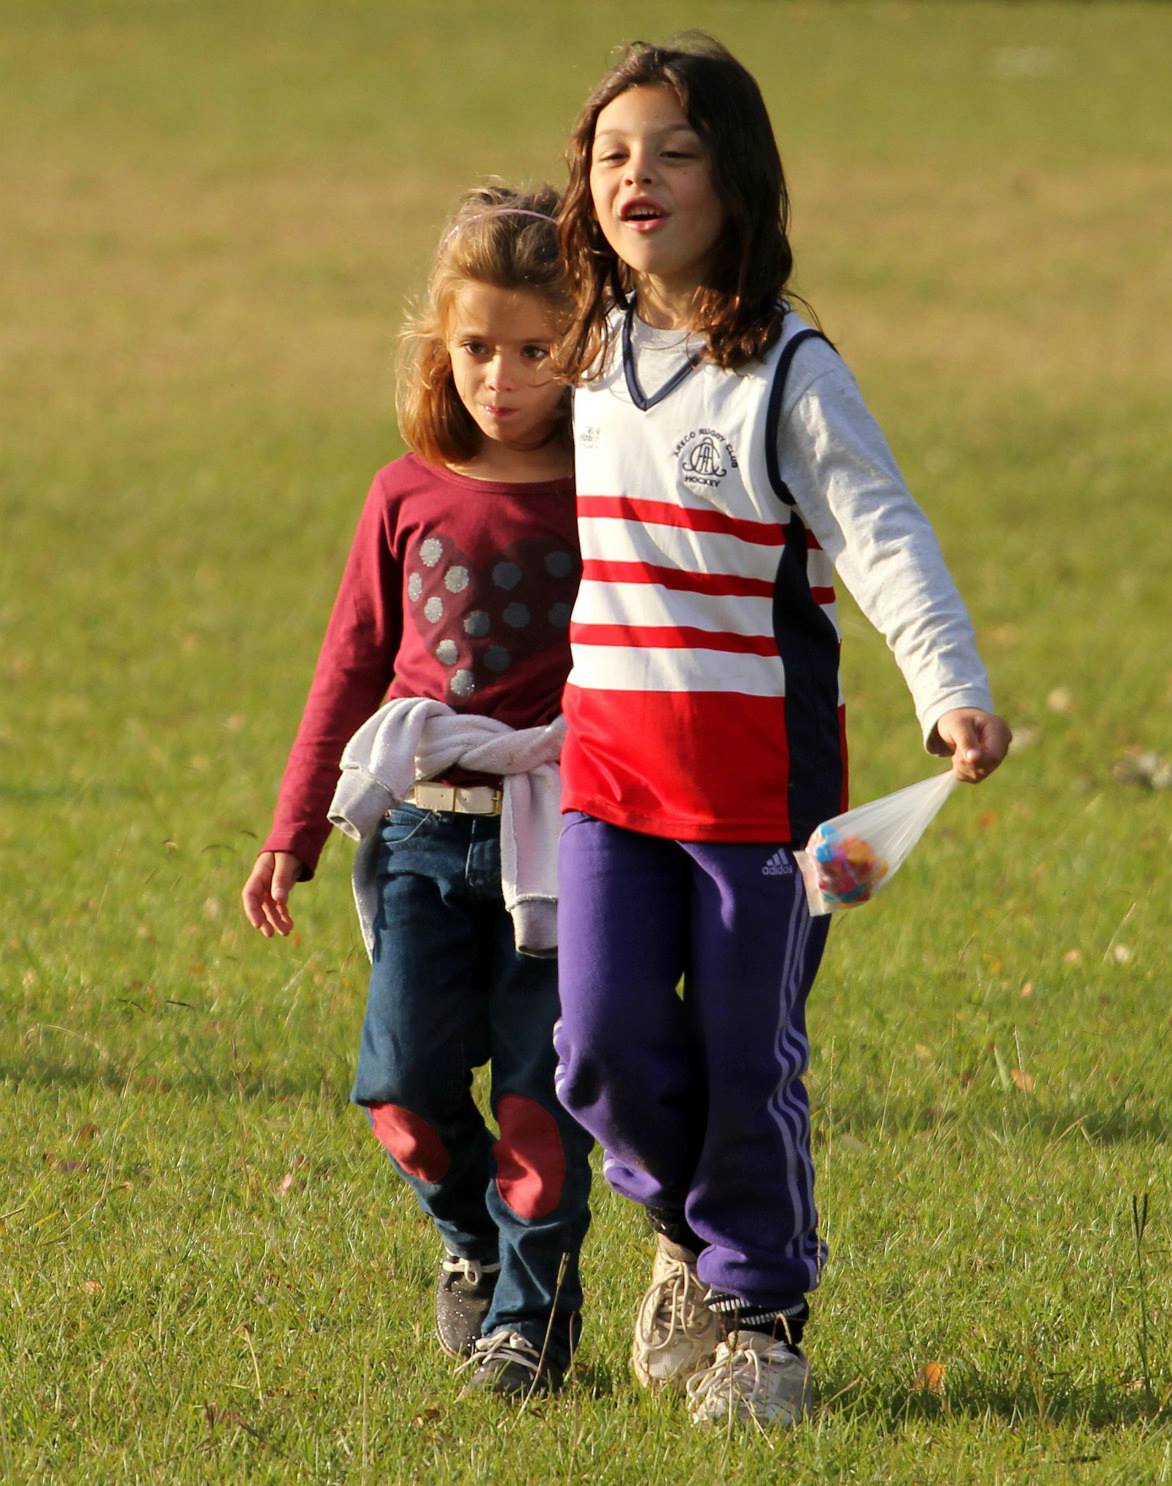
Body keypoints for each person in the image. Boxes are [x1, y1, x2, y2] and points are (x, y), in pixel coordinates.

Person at [547, 35, 1011, 1427]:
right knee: (600, 1046)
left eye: (674, 152)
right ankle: (688, 1238)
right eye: (615, 152)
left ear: (737, 183)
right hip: (607, 776)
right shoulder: (585, 344)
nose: (639, 176)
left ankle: (761, 1318)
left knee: (751, 1051)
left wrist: (951, 686)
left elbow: (883, 536)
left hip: (766, 789)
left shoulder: (787, 366)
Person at [241, 184, 593, 1397]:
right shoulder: (405, 489)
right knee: (399, 1086)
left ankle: (528, 1326)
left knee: (541, 1095)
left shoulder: (610, 490)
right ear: (440, 349)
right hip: (421, 842)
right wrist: (294, 826)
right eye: (475, 348)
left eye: (534, 348)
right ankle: (475, 1243)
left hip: (559, 842)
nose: (501, 376)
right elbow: (348, 661)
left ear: (584, 341)